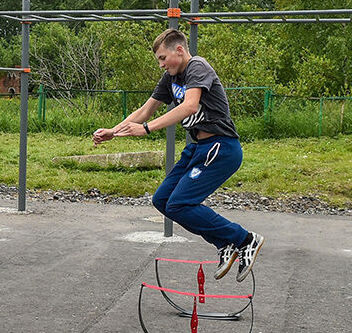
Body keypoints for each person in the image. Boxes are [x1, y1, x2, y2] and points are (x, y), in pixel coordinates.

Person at [93, 28, 263, 282]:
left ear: (179, 50)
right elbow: (146, 109)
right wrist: (114, 132)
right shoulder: (170, 78)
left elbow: (190, 105)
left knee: (180, 203)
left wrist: (148, 129)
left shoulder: (198, 67)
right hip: (197, 148)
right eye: (159, 60)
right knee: (162, 200)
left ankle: (245, 239)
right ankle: (225, 244)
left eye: (163, 58)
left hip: (221, 147)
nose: (161, 65)